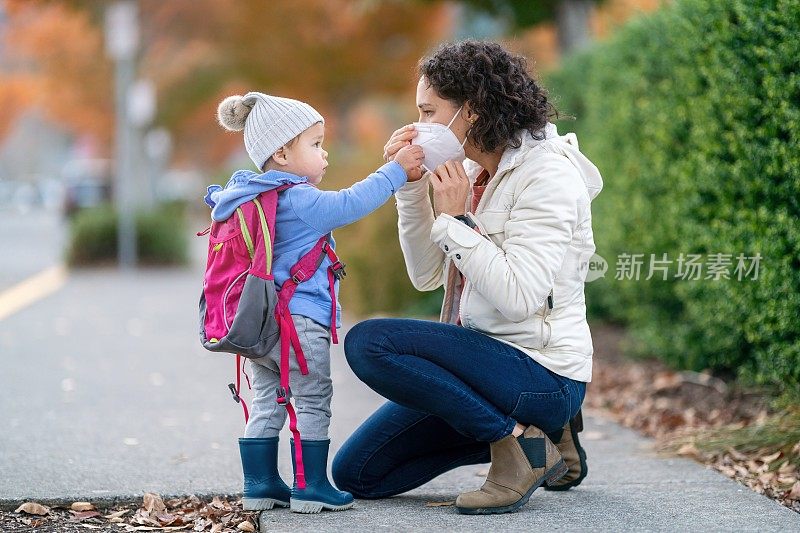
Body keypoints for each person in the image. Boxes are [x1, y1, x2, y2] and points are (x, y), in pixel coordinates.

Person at [332, 40, 603, 515]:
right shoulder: (474, 172)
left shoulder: (548, 178)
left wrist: (458, 223)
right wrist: (412, 191)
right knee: (360, 474)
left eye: (428, 112)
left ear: (471, 112)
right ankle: (541, 439)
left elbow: (520, 296)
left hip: (541, 371)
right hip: (483, 369)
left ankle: (519, 444)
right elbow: (427, 276)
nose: (418, 126)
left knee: (370, 343)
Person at [208, 92, 424, 513]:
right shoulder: (298, 198)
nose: (324, 154)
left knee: (267, 398)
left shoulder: (247, 195)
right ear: (283, 152)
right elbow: (350, 204)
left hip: (262, 322)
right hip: (300, 322)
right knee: (312, 397)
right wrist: (395, 172)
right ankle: (310, 486)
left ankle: (260, 485)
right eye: (316, 144)